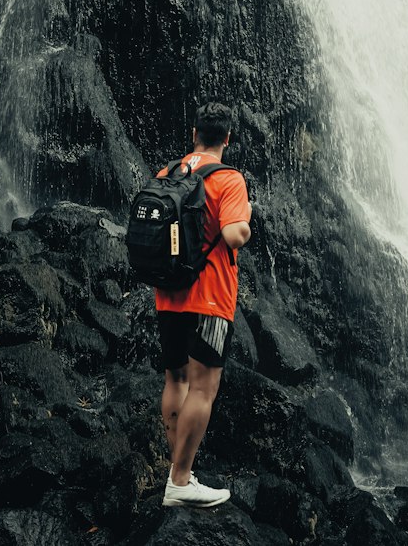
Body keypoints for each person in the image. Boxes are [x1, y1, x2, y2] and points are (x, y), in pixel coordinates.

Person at [156, 101, 251, 509]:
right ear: (227, 138)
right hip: (210, 298)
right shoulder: (229, 179)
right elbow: (233, 235)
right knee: (203, 387)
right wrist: (245, 220)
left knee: (175, 380)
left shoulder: (168, 173)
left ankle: (177, 469)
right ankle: (180, 481)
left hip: (168, 294)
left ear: (193, 132)